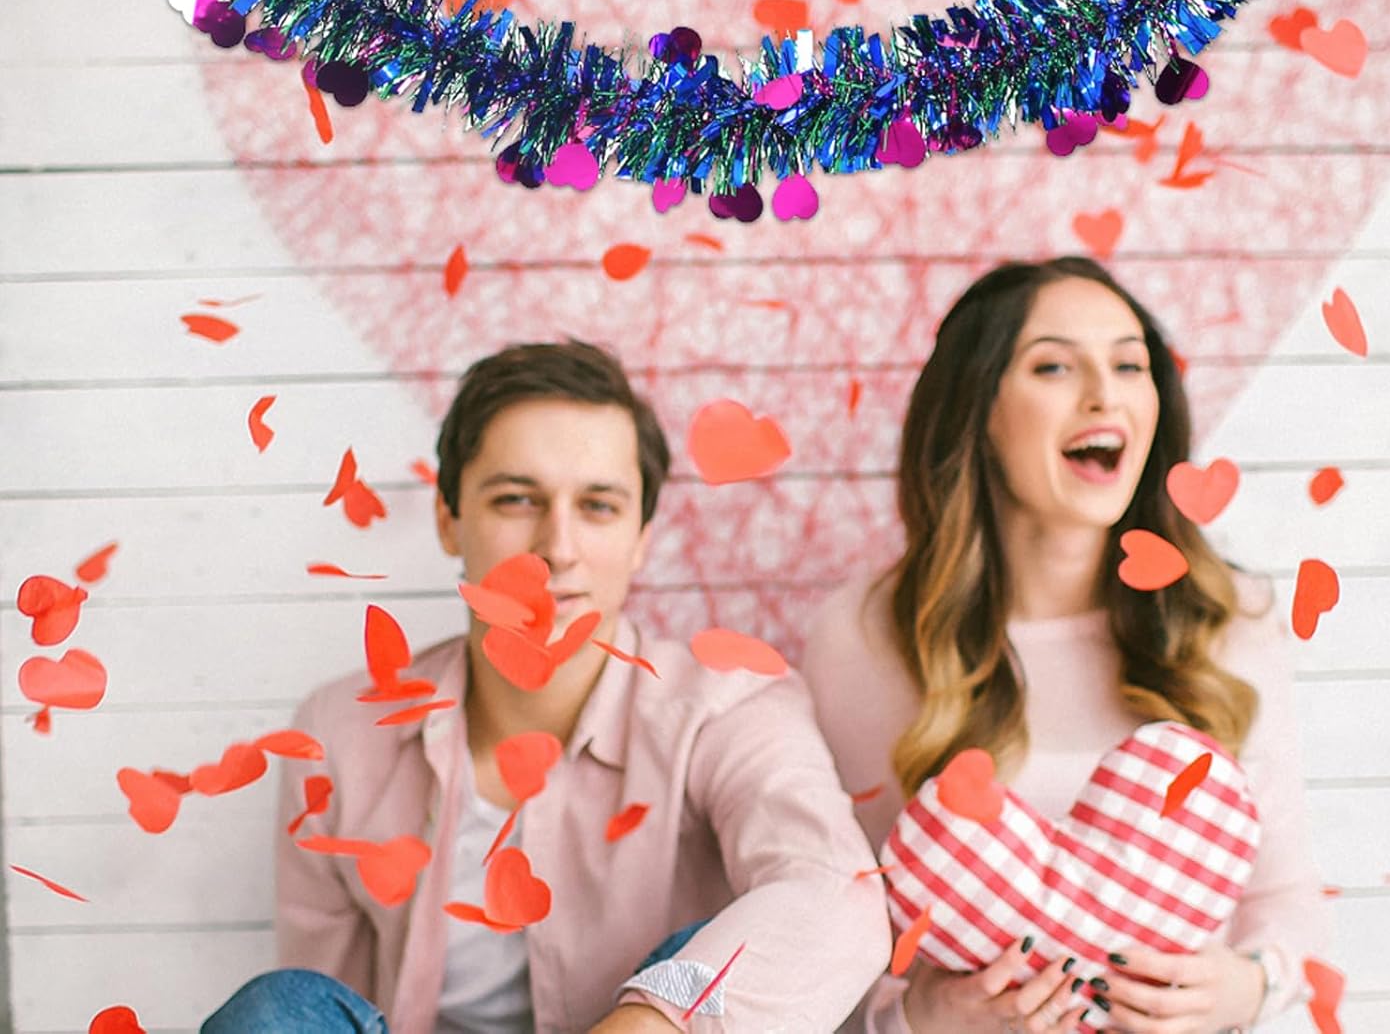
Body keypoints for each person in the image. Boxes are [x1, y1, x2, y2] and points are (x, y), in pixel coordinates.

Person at [203, 340, 890, 1034]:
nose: (557, 548)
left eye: (598, 506)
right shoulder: (338, 736)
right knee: (275, 1010)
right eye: (516, 499)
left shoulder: (727, 709)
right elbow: (326, 1005)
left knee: (709, 960)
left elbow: (839, 893)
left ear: (641, 538)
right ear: (449, 519)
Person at [802, 257, 1332, 1034]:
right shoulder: (862, 636)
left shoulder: (1231, 619)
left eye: (1129, 365)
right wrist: (920, 1017)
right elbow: (822, 926)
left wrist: (1242, 989)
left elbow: (1289, 902)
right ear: (978, 407)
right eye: (1054, 366)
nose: (1104, 395)